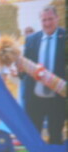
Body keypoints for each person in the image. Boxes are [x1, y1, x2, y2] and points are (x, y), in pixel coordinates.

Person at [20, 5, 66, 144]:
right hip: (35, 100)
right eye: (44, 20)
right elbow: (24, 71)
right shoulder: (31, 40)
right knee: (34, 138)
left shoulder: (65, 37)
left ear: (57, 18)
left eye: (50, 19)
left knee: (56, 137)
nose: (47, 23)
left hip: (57, 100)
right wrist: (19, 70)